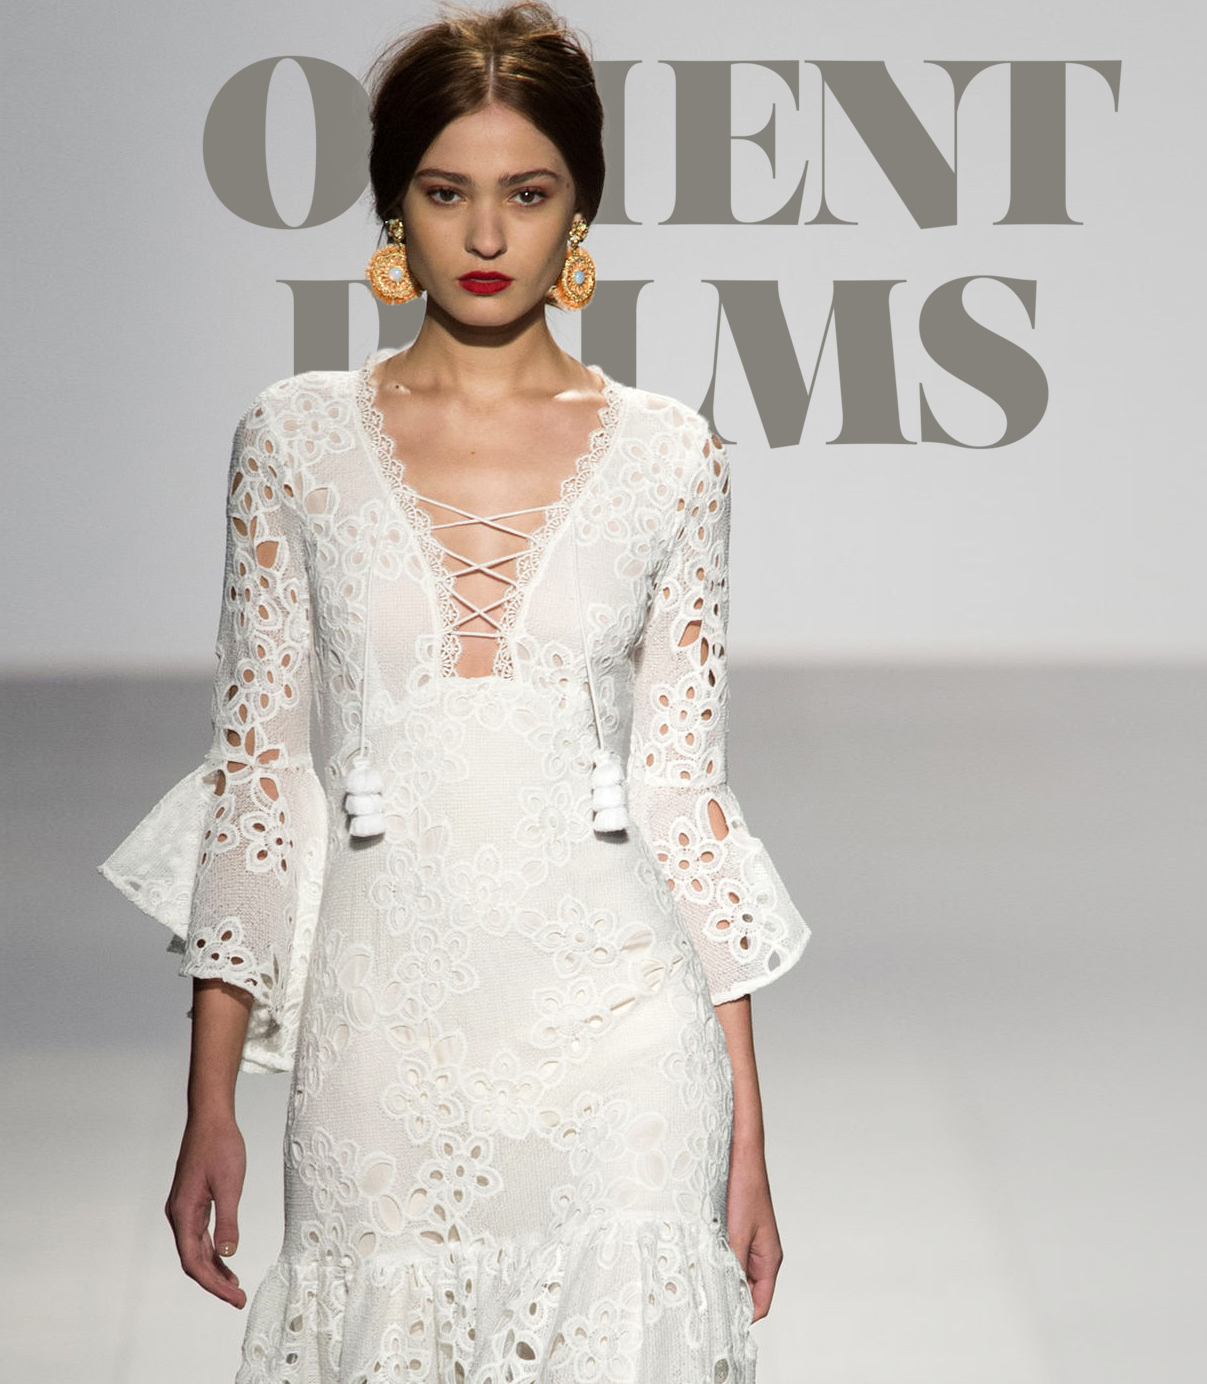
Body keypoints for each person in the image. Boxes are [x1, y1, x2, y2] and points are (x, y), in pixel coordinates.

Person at [97, 5, 811, 1379]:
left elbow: (682, 798)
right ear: (393, 207)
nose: (487, 235)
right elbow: (261, 779)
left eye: (526, 194)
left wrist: (748, 1134)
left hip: (624, 1047)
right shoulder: (293, 441)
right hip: (380, 1043)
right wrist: (208, 1100)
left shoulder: (673, 457)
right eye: (446, 193)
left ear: (579, 207)